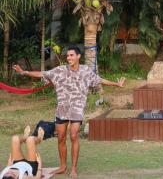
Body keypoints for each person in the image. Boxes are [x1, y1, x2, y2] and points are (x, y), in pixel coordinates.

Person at [13, 46, 126, 178]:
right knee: (61, 138)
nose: (68, 58)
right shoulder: (60, 70)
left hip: (77, 110)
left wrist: (116, 84)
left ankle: (73, 168)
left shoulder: (86, 71)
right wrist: (24, 72)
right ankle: (62, 166)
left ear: (78, 56)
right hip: (62, 110)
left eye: (71, 55)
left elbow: (100, 80)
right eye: (67, 56)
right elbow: (42, 74)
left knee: (73, 136)